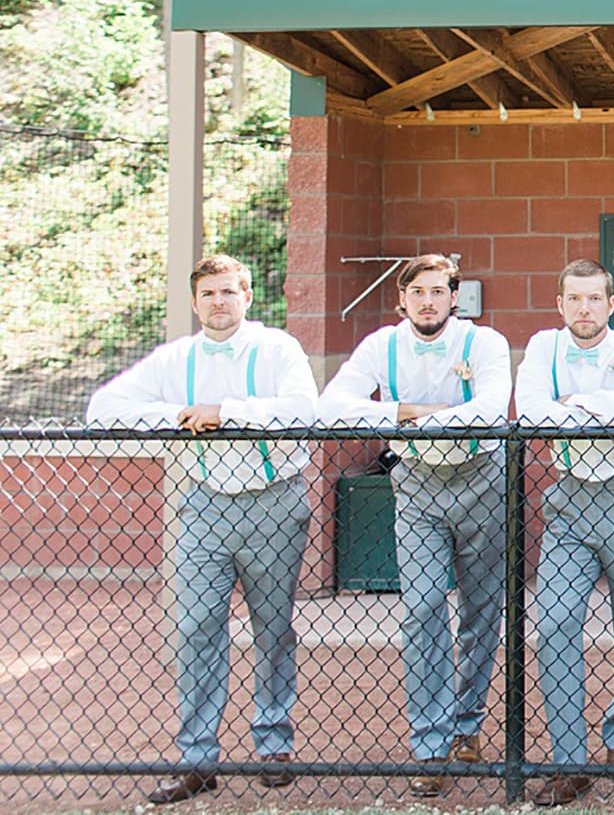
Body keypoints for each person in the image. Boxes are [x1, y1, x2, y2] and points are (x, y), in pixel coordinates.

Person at [87, 255, 316, 805]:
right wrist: (179, 415)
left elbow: (302, 409)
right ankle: (197, 759)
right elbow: (104, 408)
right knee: (194, 629)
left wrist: (225, 412)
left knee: (272, 628)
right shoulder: (176, 358)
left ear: (247, 297)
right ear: (194, 302)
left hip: (274, 502)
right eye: (209, 293)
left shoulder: (278, 348)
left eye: (229, 292)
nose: (219, 302)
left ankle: (274, 743)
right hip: (203, 506)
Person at [318, 254, 512, 798]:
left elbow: (491, 409)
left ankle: (466, 725)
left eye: (438, 291)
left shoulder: (485, 343)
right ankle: (430, 743)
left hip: (481, 478)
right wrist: (405, 412)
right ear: (401, 299)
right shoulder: (381, 345)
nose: (428, 301)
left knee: (480, 610)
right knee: (423, 607)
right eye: (418, 292)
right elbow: (331, 406)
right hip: (417, 484)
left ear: (454, 298)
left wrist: (413, 415)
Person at [515, 259, 614, 808]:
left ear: (611, 304)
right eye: (575, 299)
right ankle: (570, 760)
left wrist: (574, 406)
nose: (585, 309)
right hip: (571, 498)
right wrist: (610, 418)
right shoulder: (543, 347)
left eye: (595, 299)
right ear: (560, 304)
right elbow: (531, 413)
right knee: (555, 621)